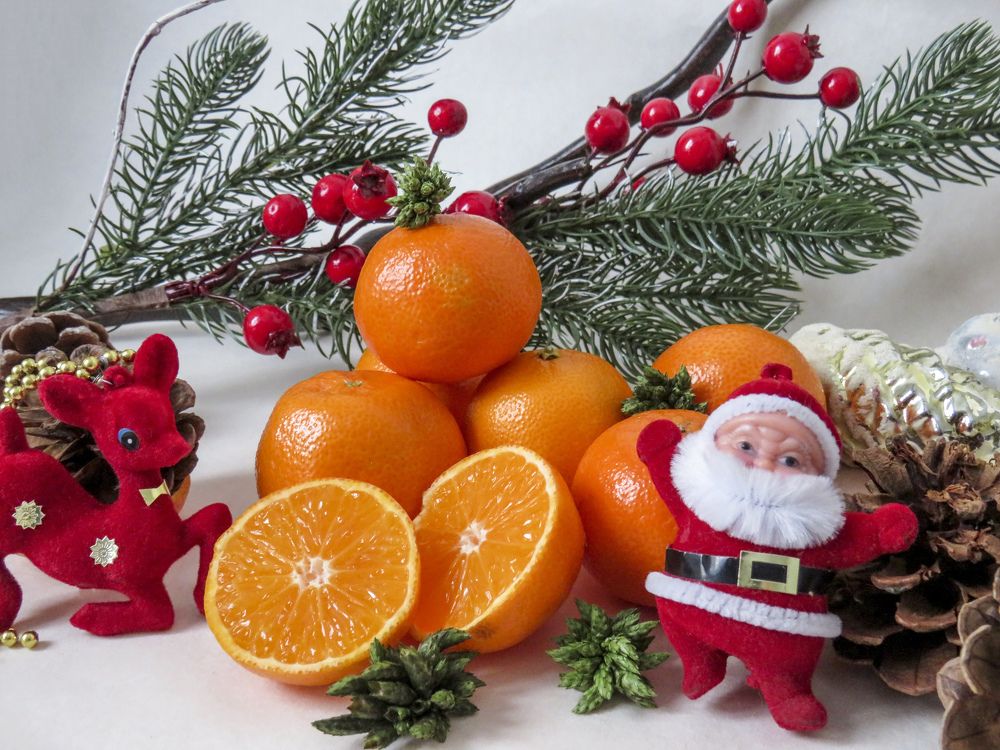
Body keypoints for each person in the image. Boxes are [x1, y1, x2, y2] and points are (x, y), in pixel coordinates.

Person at [638, 363, 918, 732]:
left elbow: (854, 538)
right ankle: (700, 661)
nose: (764, 462)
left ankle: (787, 692)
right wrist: (661, 453)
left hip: (782, 629)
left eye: (790, 459)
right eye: (745, 445)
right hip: (692, 602)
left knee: (786, 664)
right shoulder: (699, 491)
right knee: (679, 621)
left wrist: (882, 530)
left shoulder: (815, 526)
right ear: (715, 442)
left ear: (817, 475)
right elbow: (668, 475)